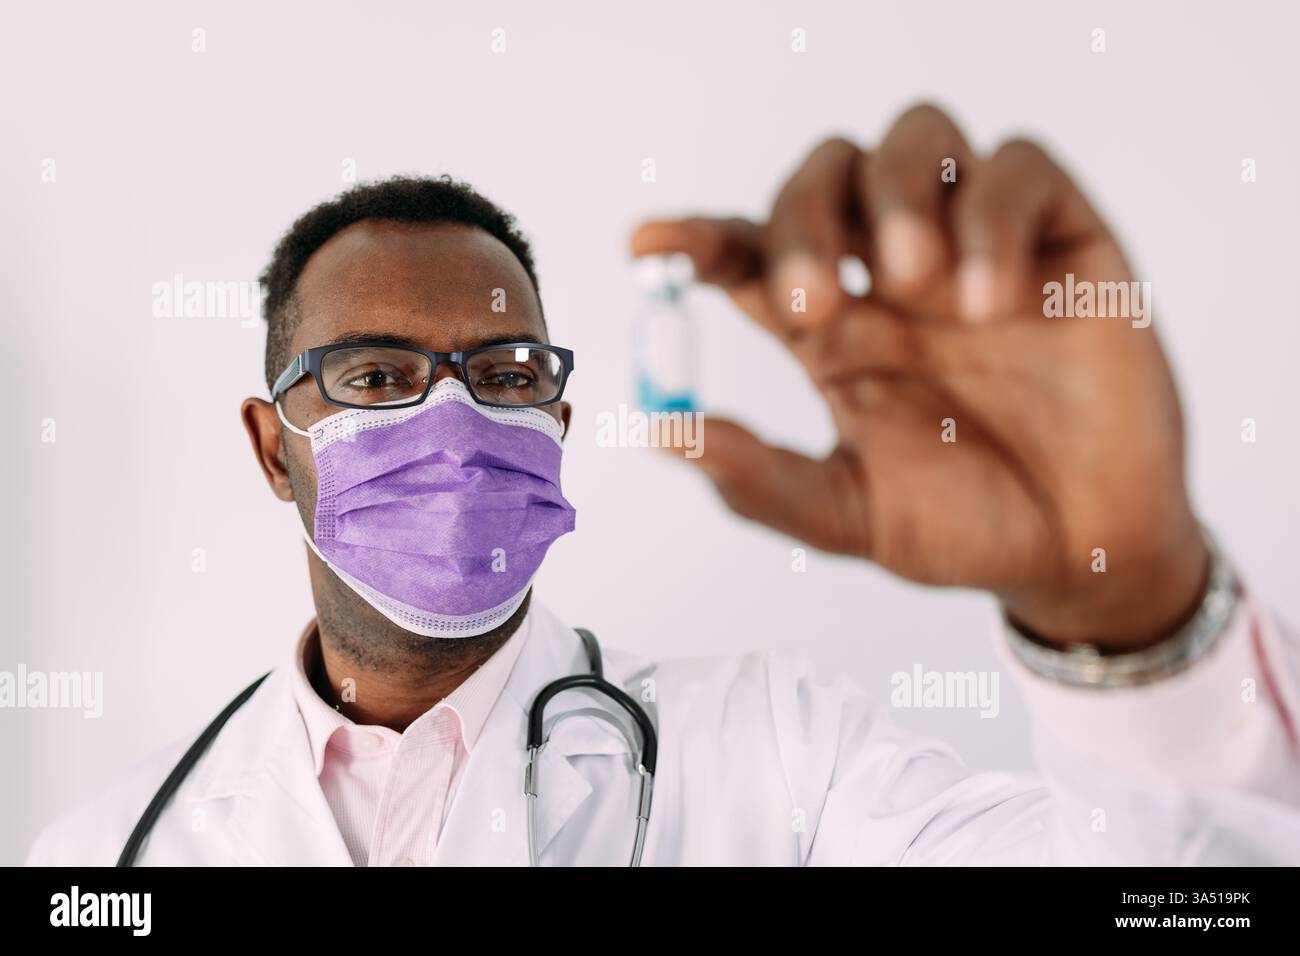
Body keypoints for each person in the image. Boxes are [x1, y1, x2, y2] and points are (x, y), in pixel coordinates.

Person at [26, 104, 1300, 866]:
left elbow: (1181, 896)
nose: (456, 414)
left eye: (507, 371)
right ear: (271, 445)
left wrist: (1127, 605)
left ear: (559, 419)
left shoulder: (779, 757)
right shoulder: (109, 853)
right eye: (374, 376)